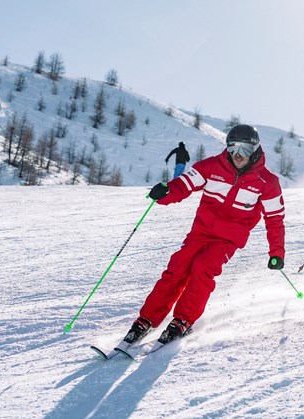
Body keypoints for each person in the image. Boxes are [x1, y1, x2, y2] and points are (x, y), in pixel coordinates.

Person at [123, 124, 286, 345]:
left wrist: (277, 252)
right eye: (233, 148)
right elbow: (183, 184)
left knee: (203, 267)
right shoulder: (211, 167)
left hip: (228, 240)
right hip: (201, 232)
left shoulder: (267, 183)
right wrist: (166, 192)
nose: (238, 155)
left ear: (256, 149)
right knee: (177, 267)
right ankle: (146, 320)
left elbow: (275, 220)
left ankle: (182, 320)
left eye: (245, 149)